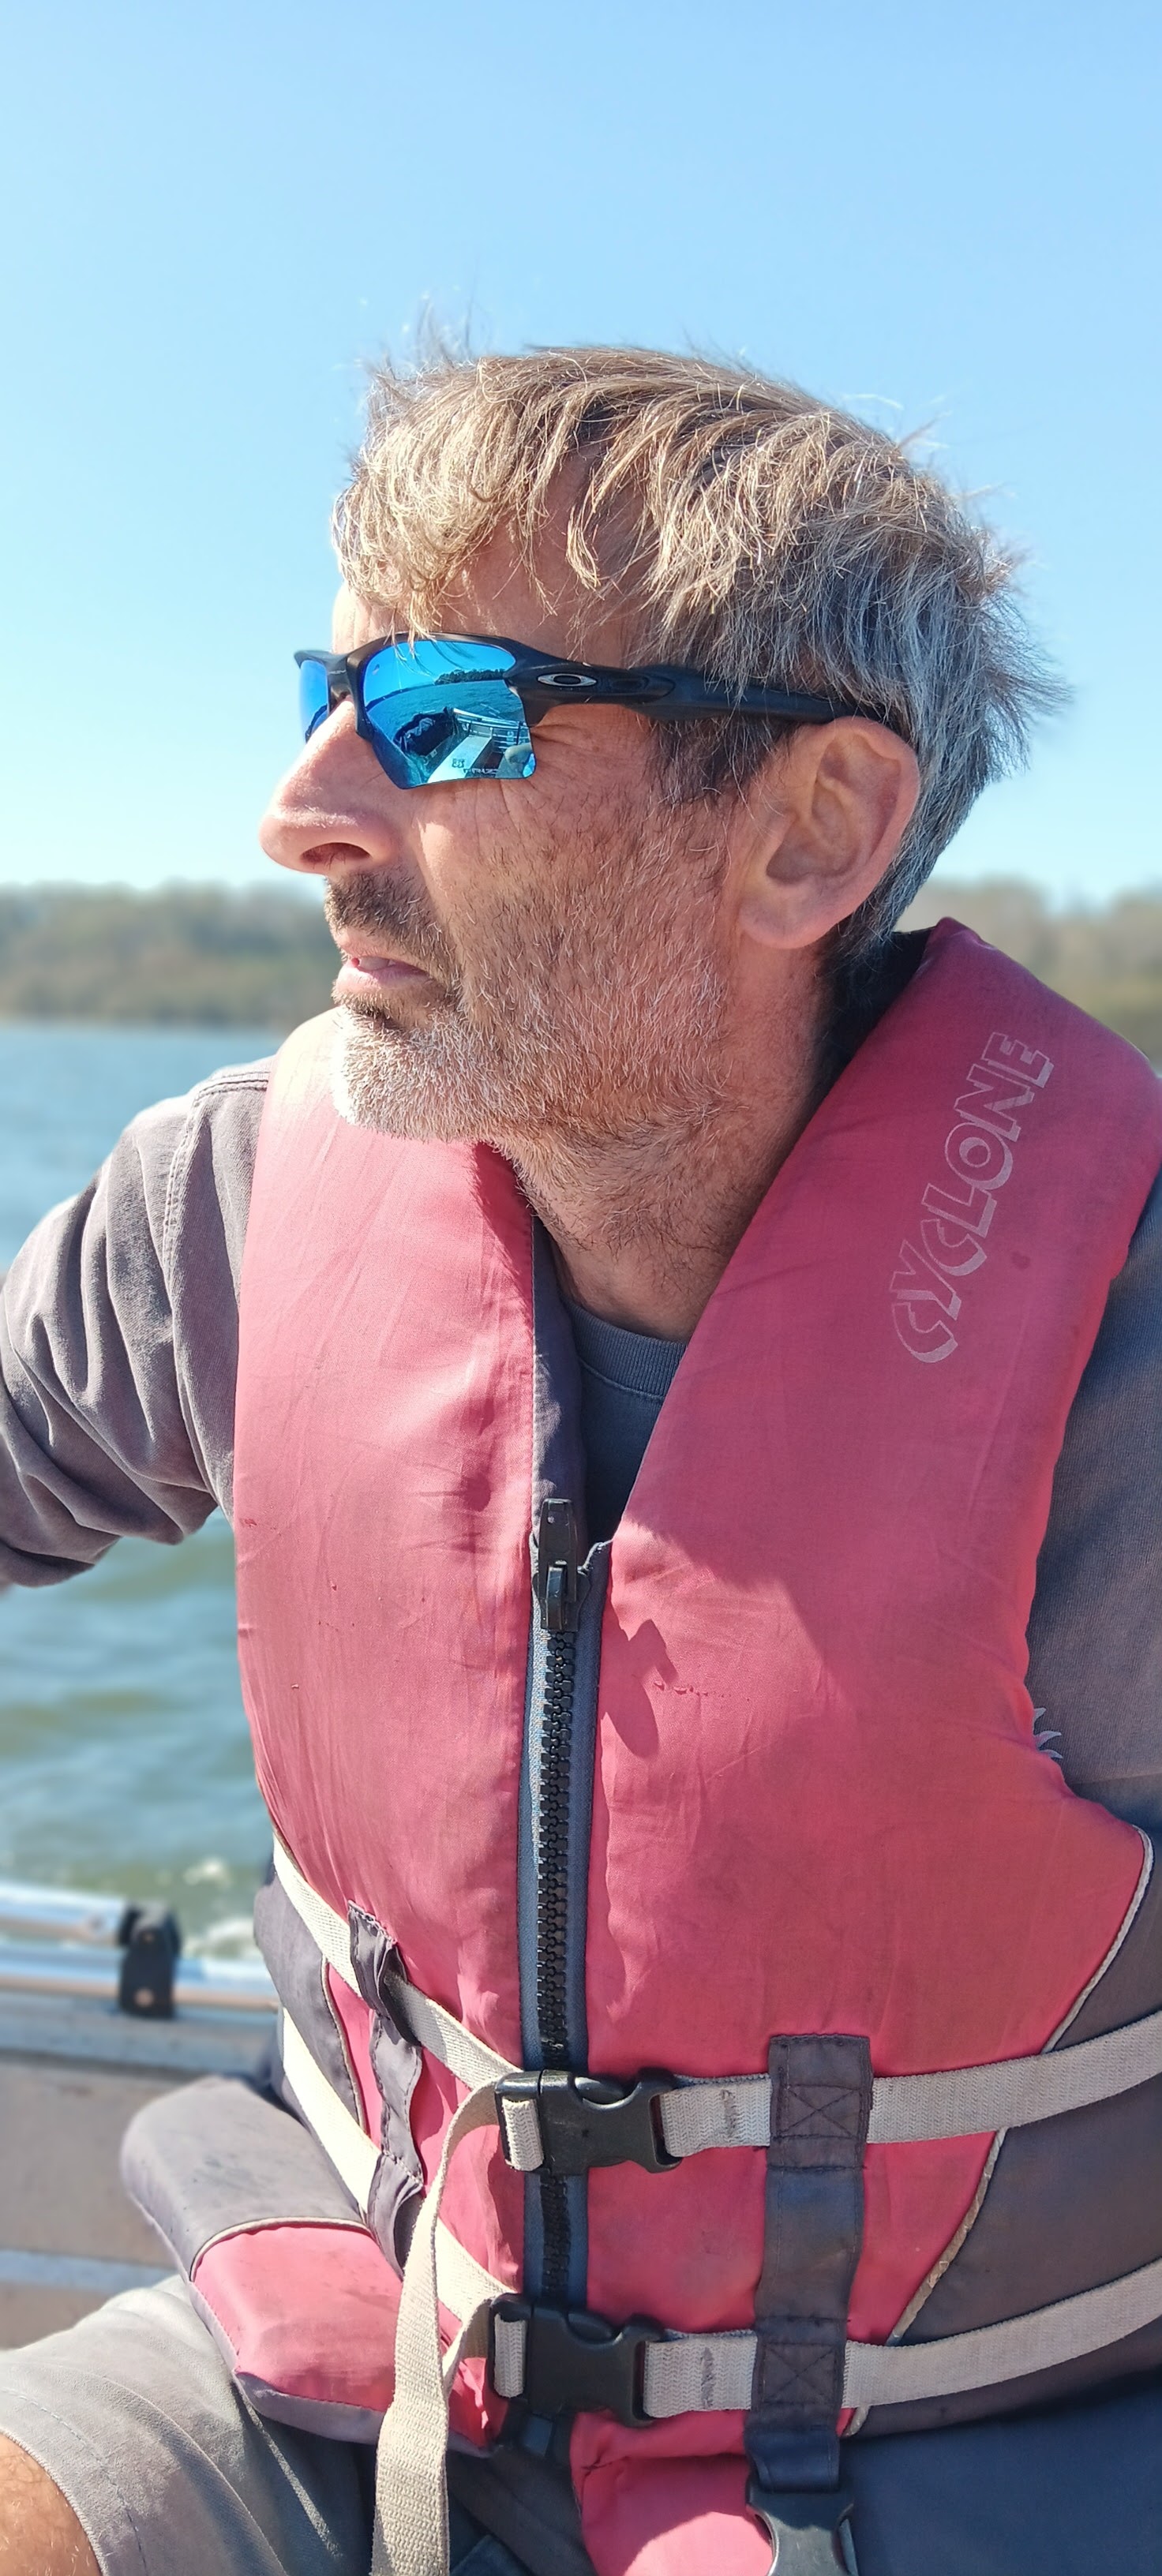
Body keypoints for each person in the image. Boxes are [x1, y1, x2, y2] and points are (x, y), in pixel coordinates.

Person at [0, 346, 1160, 2576]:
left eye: (451, 716)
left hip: (978, 2458)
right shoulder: (228, 1212)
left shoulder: (1131, 1348)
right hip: (354, 2361)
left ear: (810, 831)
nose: (303, 806)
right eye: (328, 694)